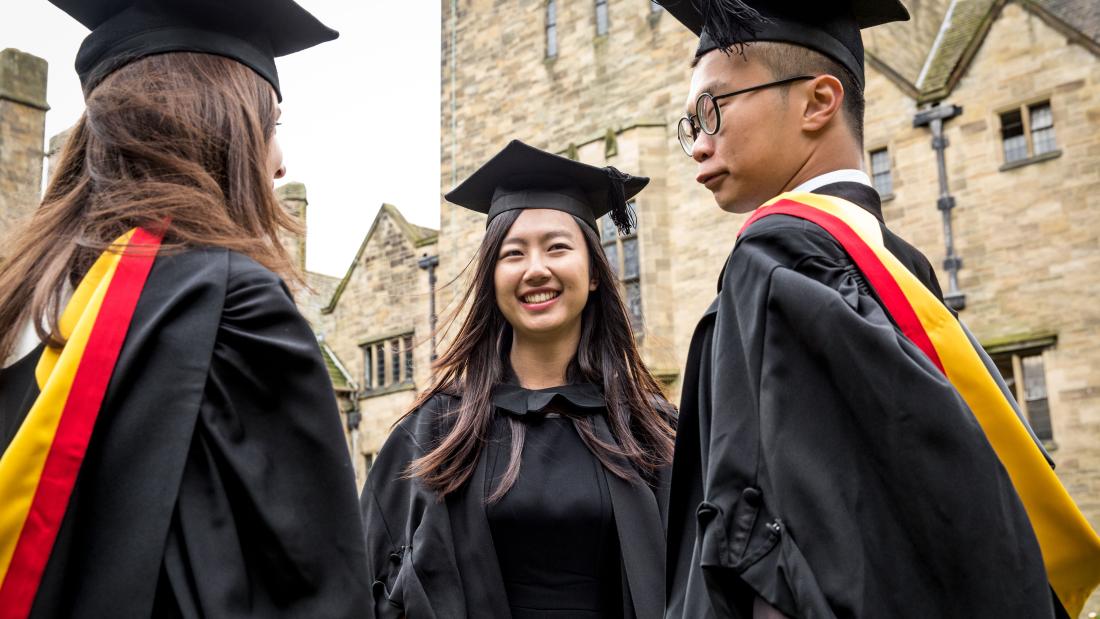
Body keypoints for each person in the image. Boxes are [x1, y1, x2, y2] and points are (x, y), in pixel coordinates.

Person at [655, 0, 1100, 617]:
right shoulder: (898, 264)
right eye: (689, 126)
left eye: (712, 110)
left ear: (818, 102)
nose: (698, 146)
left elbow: (764, 543)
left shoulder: (775, 259)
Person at [0, 0, 369, 616]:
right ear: (220, 123)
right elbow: (312, 588)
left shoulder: (32, 304)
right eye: (272, 125)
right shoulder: (232, 306)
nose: (281, 162)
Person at [360, 140, 675, 619]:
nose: (536, 269)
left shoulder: (652, 432)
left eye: (557, 248)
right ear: (491, 275)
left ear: (593, 273)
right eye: (513, 253)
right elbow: (367, 585)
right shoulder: (436, 430)